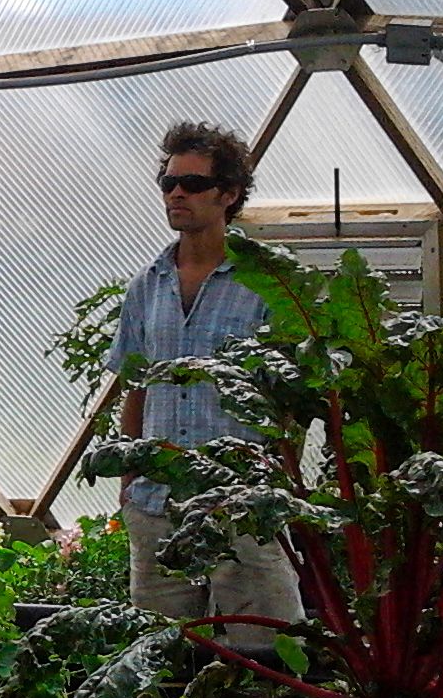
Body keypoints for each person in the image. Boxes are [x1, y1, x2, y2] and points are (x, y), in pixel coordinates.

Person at [105, 121, 302, 650]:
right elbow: (135, 386)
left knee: (266, 645)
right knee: (161, 653)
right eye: (168, 183)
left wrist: (279, 485)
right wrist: (129, 485)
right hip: (157, 501)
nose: (176, 194)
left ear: (229, 194)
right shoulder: (147, 285)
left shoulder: (266, 282)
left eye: (191, 184)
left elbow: (293, 396)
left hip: (238, 500)